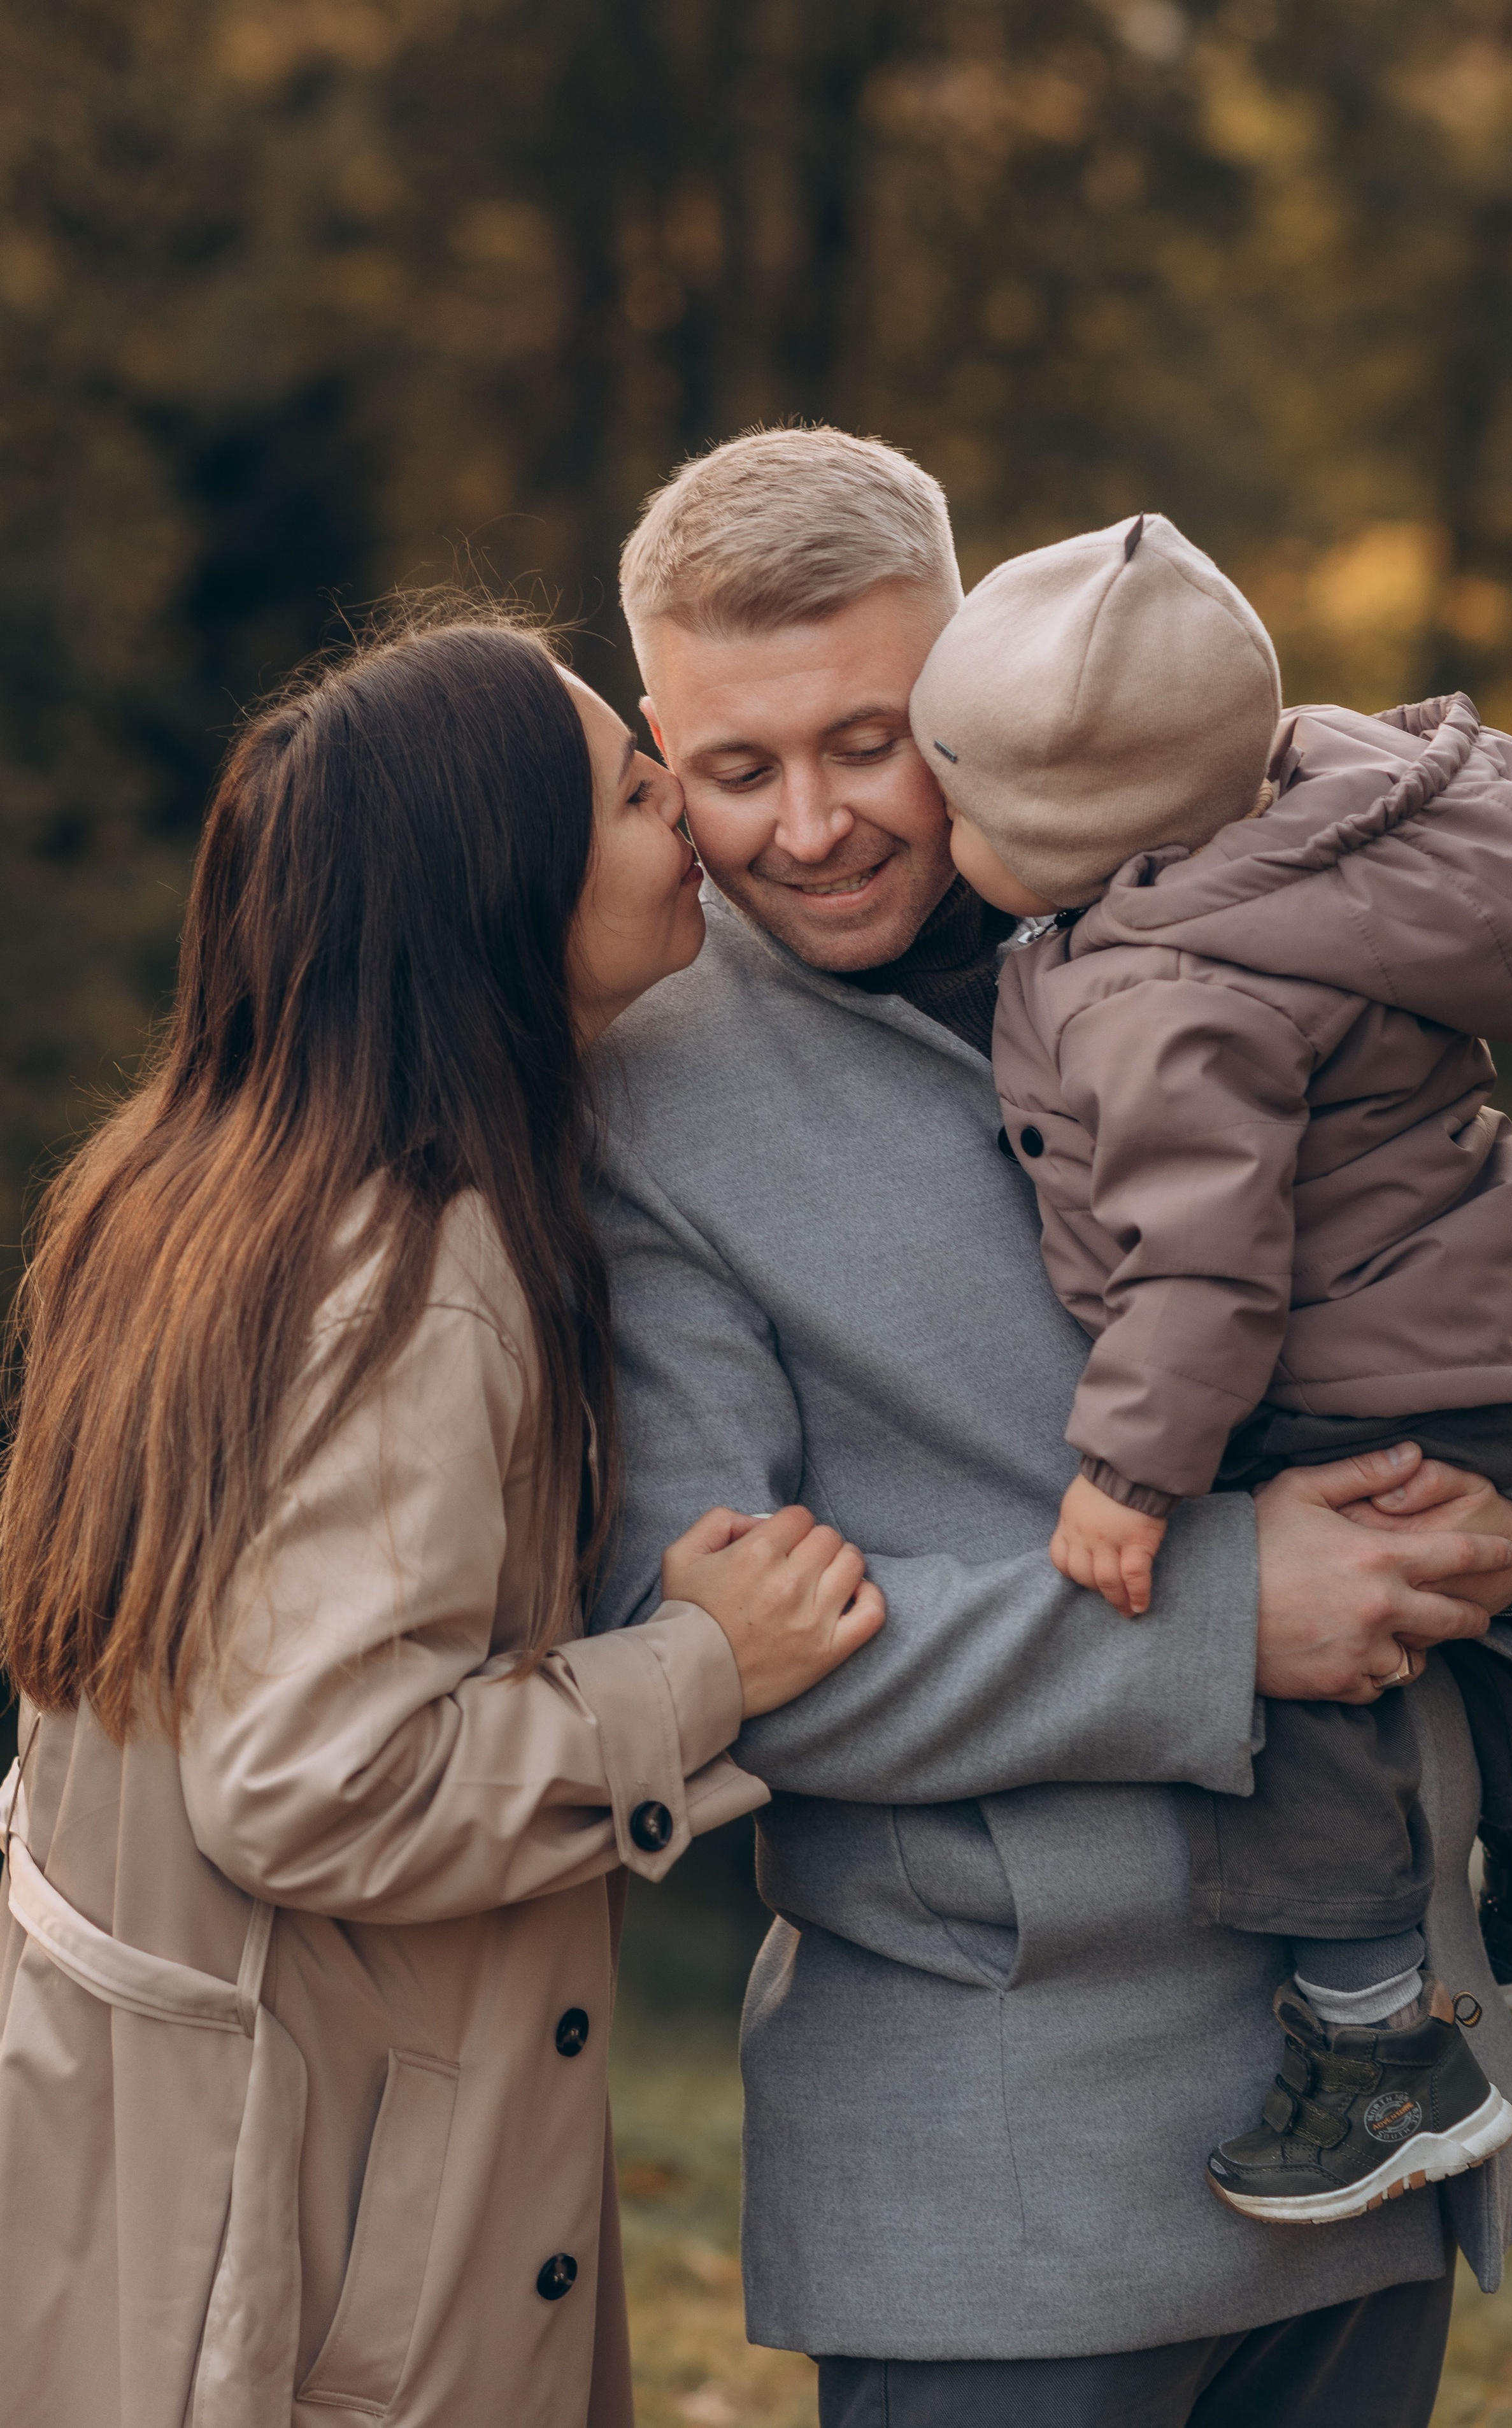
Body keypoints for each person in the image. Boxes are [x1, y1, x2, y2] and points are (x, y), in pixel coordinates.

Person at [590, 425, 1512, 2428]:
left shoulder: (1248, 882)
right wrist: (1222, 1611)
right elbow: (699, 1644)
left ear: (977, 685)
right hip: (1003, 2185)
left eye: (866, 741)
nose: (811, 826)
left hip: (1381, 2136)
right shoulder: (642, 1088)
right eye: (737, 769)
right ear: (662, 743)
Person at [0, 609, 881, 2428]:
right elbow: (317, 1775)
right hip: (320, 2251)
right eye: (646, 797)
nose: (695, 834)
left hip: (147, 2170)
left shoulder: (183, 1180)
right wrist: (702, 1668)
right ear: (512, 889)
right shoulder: (419, 1271)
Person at [908, 510, 1512, 2224]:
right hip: (1467, 1332)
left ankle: (1378, 2038)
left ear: (1092, 839)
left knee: (1285, 1667)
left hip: (1346, 1365)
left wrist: (1135, 1472)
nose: (936, 834)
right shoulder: (1320, 834)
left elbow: (1204, 1264)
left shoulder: (1163, 993)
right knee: (1408, 1600)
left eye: (973, 812)